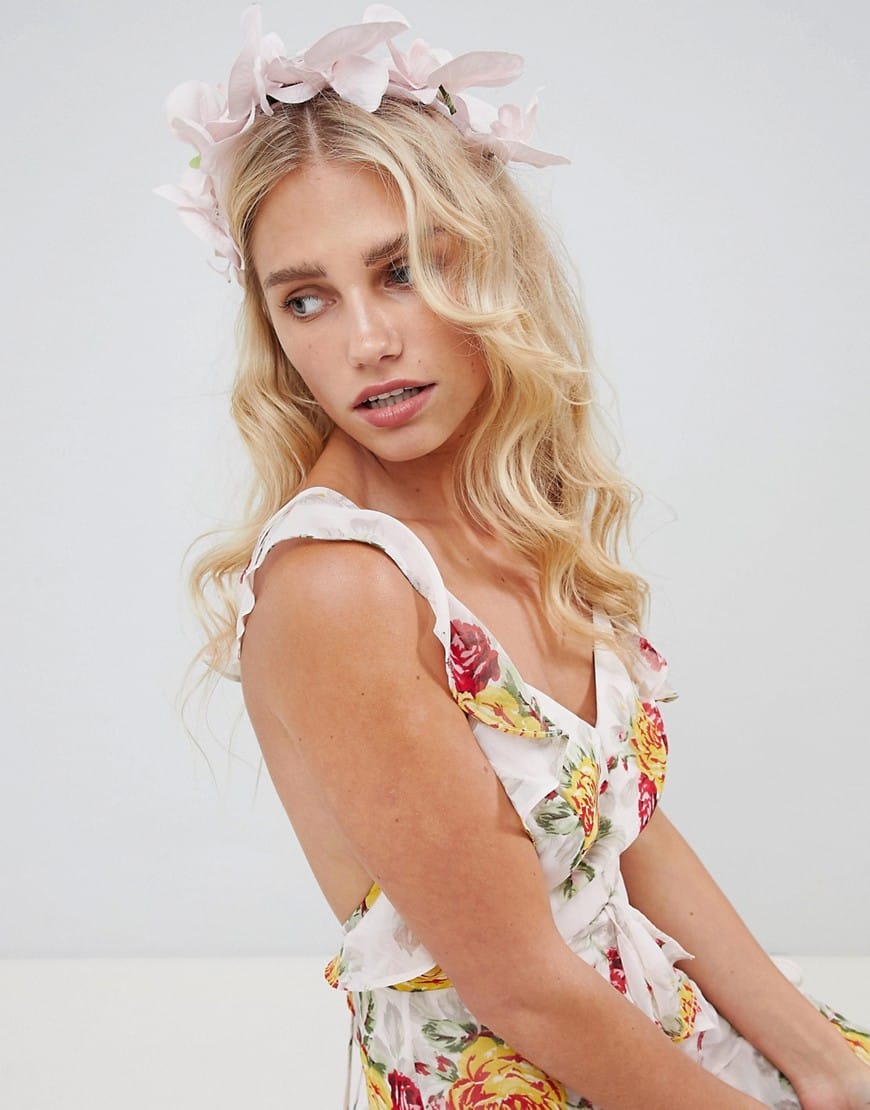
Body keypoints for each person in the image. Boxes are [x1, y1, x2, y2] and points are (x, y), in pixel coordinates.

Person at [160, 7, 870, 1108]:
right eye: (307, 298)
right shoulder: (338, 586)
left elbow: (621, 831)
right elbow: (524, 991)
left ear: (489, 265)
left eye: (402, 270)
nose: (366, 342)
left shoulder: (509, 508)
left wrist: (826, 1065)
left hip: (658, 1030)